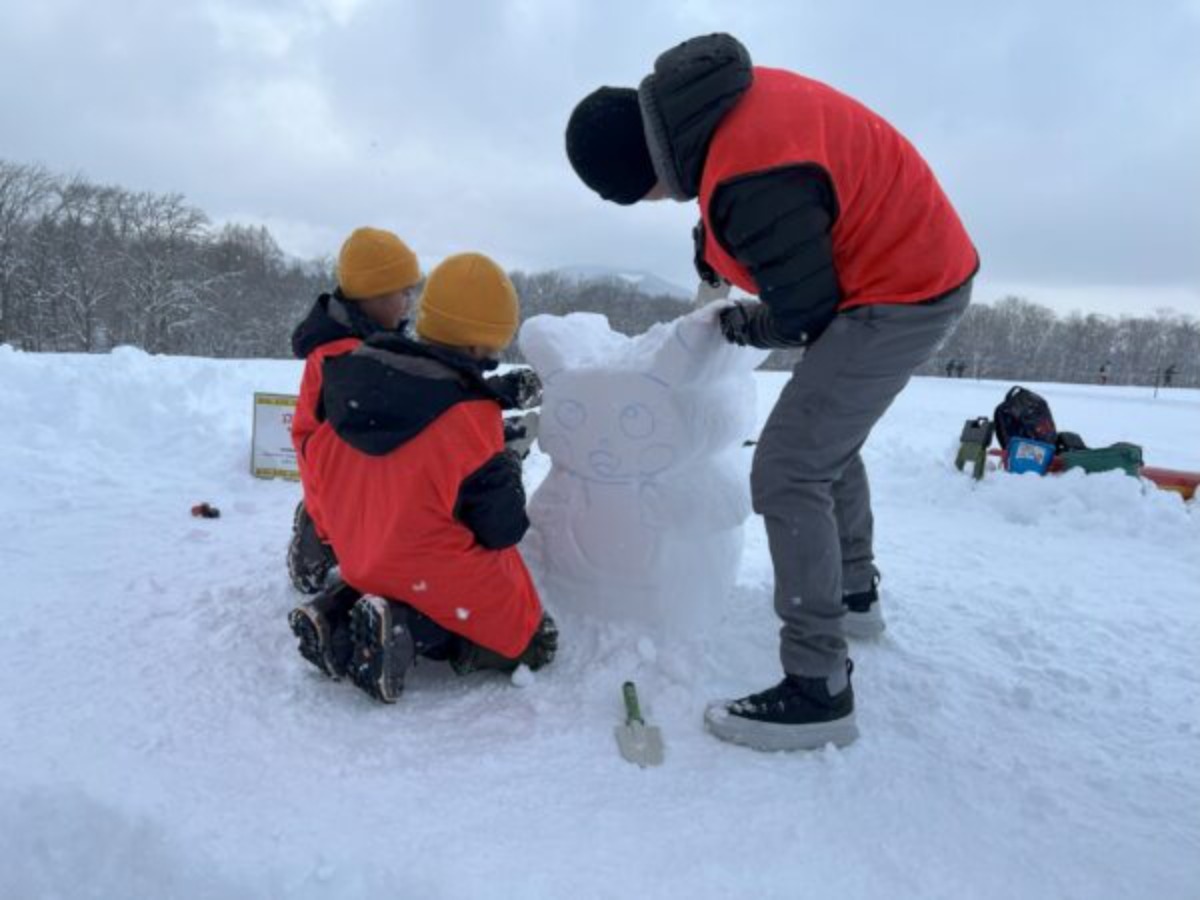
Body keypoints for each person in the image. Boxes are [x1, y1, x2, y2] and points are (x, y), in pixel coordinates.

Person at [566, 33, 976, 750]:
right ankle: (851, 592)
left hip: (904, 286)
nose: (657, 204)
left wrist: (743, 323)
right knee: (821, 435)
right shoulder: (713, 110)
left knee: (789, 466)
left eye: (641, 196)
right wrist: (721, 236)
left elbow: (803, 312)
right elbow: (781, 199)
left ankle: (818, 687)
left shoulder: (748, 180)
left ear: (641, 173)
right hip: (905, 258)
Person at [287, 252, 557, 703]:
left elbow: (412, 427)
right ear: (480, 345)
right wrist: (508, 462)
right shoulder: (470, 417)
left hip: (359, 553)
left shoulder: (357, 370)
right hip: (420, 568)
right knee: (535, 642)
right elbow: (502, 528)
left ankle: (336, 615)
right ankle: (405, 630)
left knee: (397, 564)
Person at [287, 227, 422, 594]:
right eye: (403, 293)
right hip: (330, 467)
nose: (409, 302)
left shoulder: (374, 342)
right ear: (373, 297)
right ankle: (314, 534)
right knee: (337, 523)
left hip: (353, 467)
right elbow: (406, 388)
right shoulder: (341, 354)